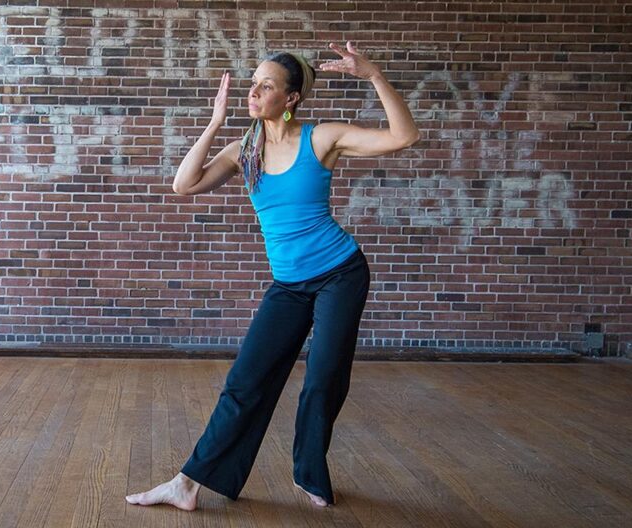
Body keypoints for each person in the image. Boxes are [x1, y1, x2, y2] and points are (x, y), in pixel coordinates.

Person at [125, 42, 420, 510]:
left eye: (267, 85)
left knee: (323, 377)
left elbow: (403, 136)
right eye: (253, 83)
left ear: (291, 99)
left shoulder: (321, 138)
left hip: (340, 274)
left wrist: (375, 76)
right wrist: (216, 121)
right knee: (246, 381)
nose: (254, 91)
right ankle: (188, 484)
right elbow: (184, 185)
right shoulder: (245, 149)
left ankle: (309, 473)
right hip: (288, 285)